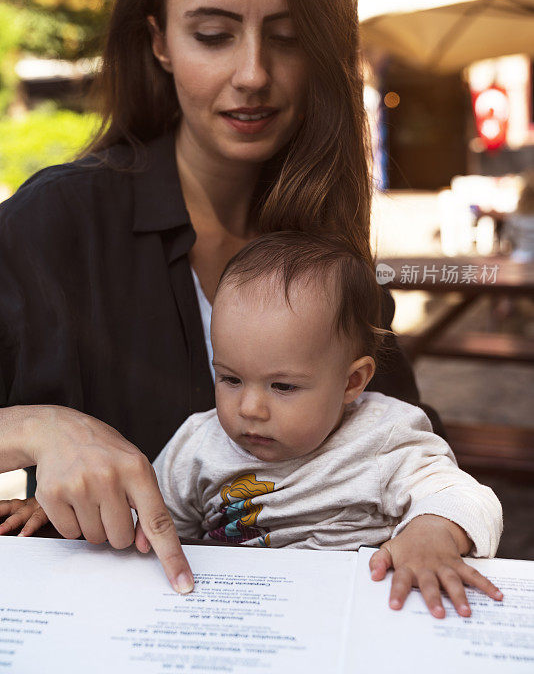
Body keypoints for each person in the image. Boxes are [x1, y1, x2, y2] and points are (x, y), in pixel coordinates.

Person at [0, 0, 442, 596]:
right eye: (212, 35)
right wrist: (38, 429)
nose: (253, 74)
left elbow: (411, 452)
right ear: (160, 43)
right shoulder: (56, 225)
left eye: (289, 38)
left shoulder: (326, 250)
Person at [0, 233, 503, 619]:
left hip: (360, 615)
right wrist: (71, 512)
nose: (250, 409)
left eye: (283, 387)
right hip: (241, 620)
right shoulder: (200, 444)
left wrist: (431, 532)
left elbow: (468, 498)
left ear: (352, 381)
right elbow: (153, 526)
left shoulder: (383, 435)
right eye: (231, 379)